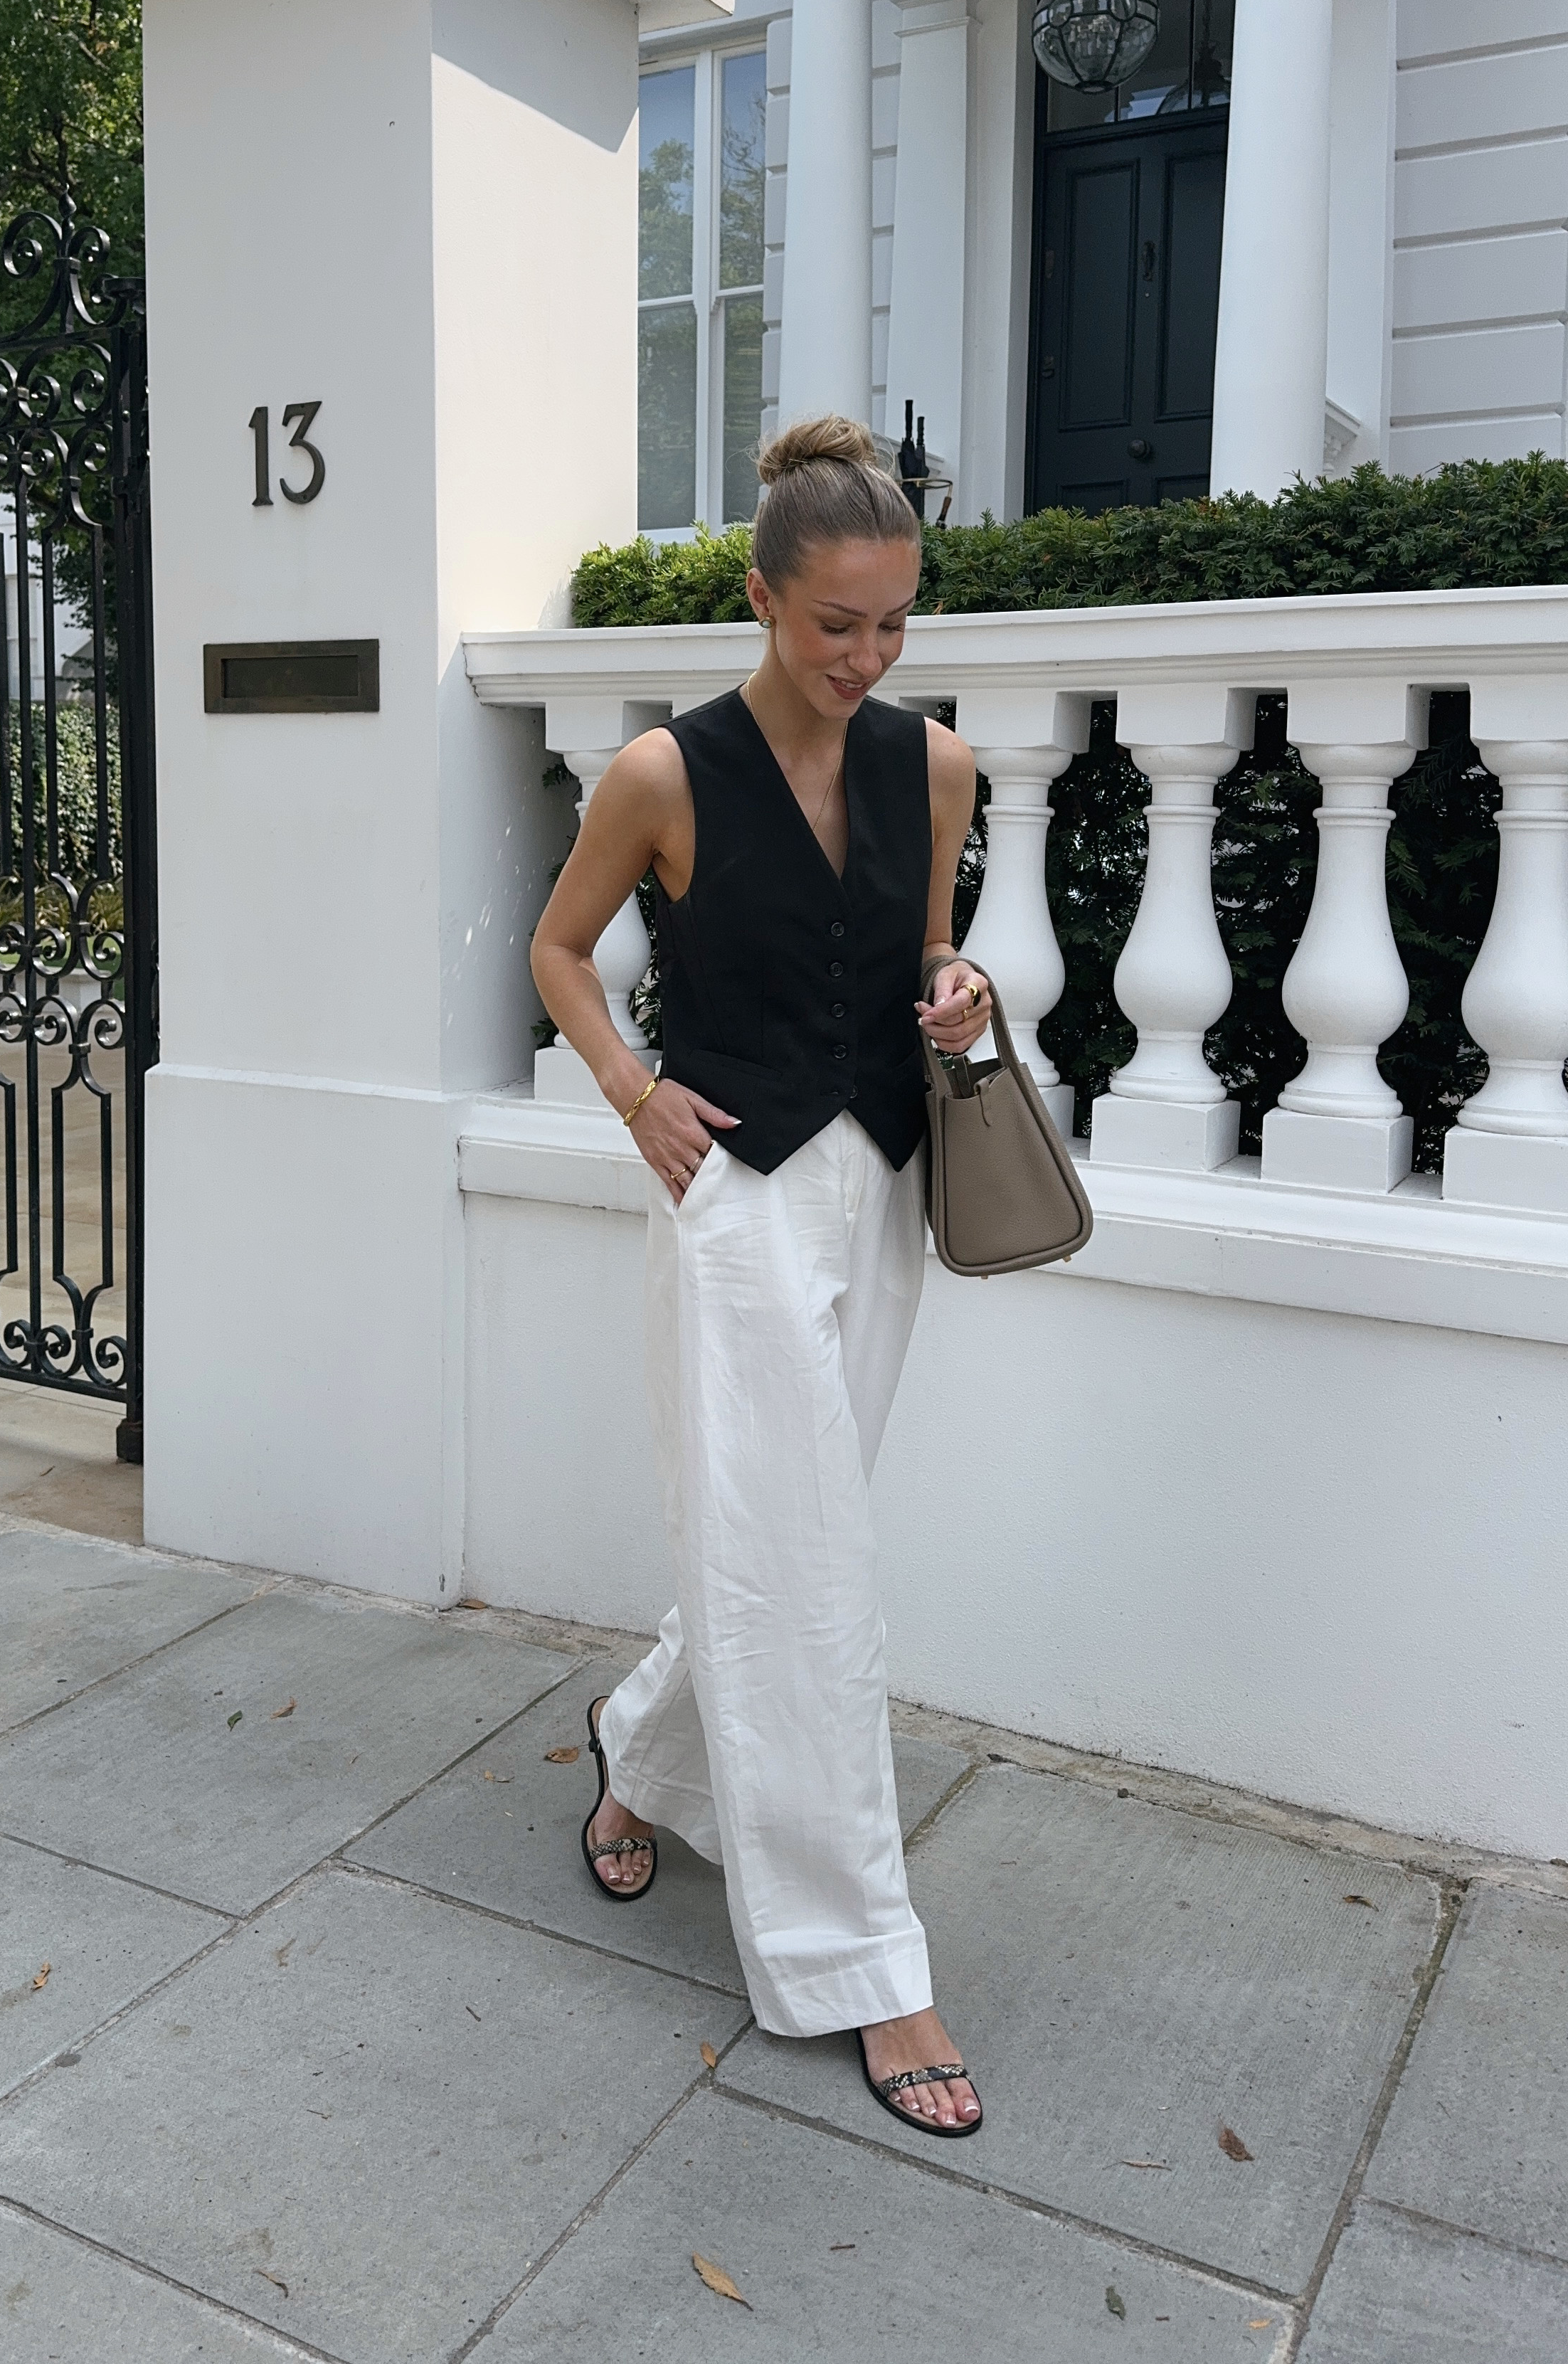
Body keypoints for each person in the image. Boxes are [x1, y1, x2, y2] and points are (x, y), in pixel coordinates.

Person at [529, 413, 993, 2138]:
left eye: (893, 623)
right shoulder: (663, 774)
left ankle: (638, 1747)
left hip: (875, 1182)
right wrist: (633, 1094)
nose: (866, 657)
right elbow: (560, 950)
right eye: (834, 626)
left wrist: (961, 993)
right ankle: (865, 1962)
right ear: (762, 598)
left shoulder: (935, 764)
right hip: (733, 1198)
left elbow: (927, 950)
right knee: (805, 1571)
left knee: (787, 1541)